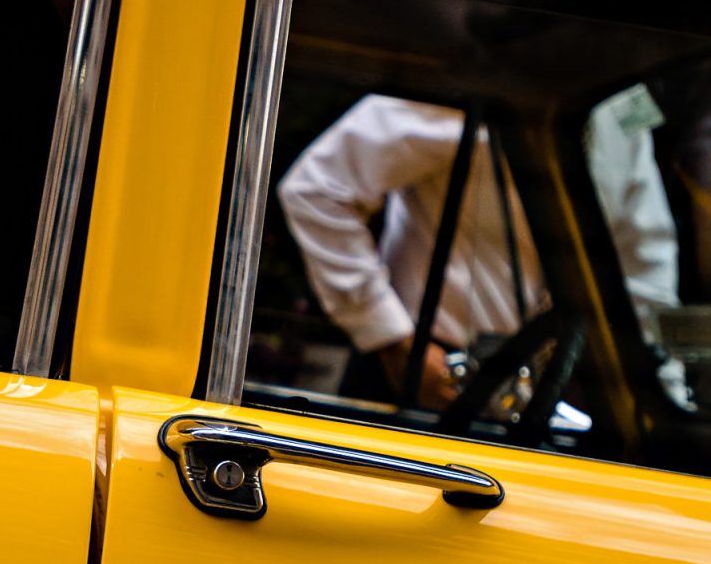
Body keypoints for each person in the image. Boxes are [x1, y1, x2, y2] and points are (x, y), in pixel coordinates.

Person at [276, 94, 676, 408]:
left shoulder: (621, 107)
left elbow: (643, 256)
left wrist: (661, 384)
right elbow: (316, 190)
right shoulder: (463, 82)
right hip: (427, 373)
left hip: (553, 386)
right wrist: (388, 336)